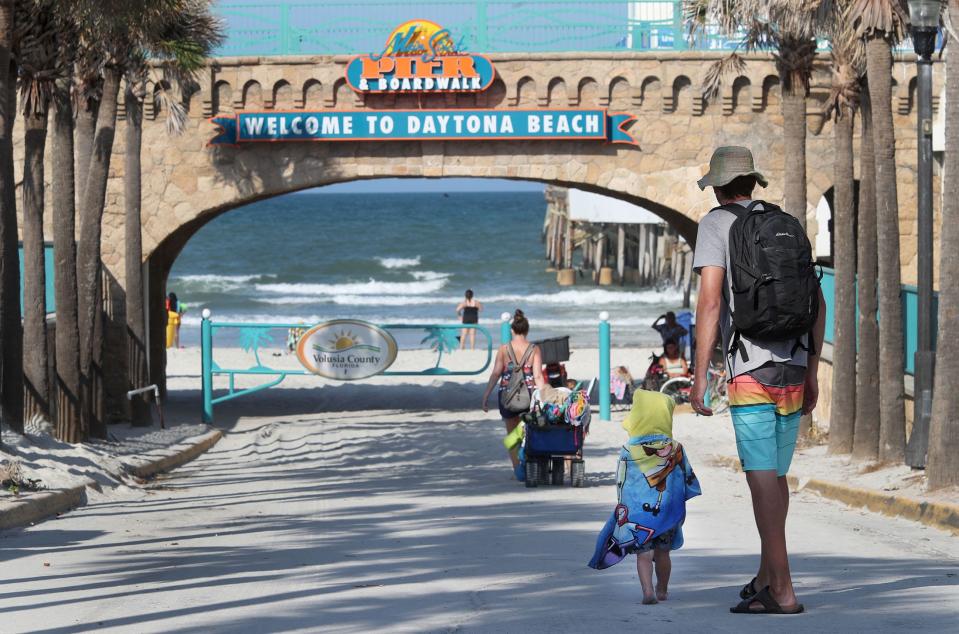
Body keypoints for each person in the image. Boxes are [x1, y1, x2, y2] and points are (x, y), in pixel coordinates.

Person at [691, 146, 825, 615]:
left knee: (759, 474)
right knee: (776, 474)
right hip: (793, 365)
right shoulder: (785, 223)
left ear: (719, 187)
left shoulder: (715, 224)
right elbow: (818, 304)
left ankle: (783, 589)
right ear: (751, 183)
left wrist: (699, 375)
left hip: (750, 367)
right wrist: (811, 371)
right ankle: (768, 573)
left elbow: (710, 302)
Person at [588, 389, 701, 606]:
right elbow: (686, 479)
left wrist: (622, 507)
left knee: (644, 555)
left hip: (638, 515)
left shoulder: (628, 451)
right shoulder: (675, 449)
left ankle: (648, 590)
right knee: (663, 554)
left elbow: (621, 482)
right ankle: (663, 589)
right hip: (666, 513)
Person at [481, 309, 546, 480]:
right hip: (529, 397)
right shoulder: (534, 349)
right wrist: (546, 396)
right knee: (529, 431)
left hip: (507, 396)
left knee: (512, 435)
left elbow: (496, 373)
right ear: (527, 330)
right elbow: (538, 376)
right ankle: (528, 460)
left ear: (512, 330)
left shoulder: (504, 349)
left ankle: (518, 470)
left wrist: (486, 394)